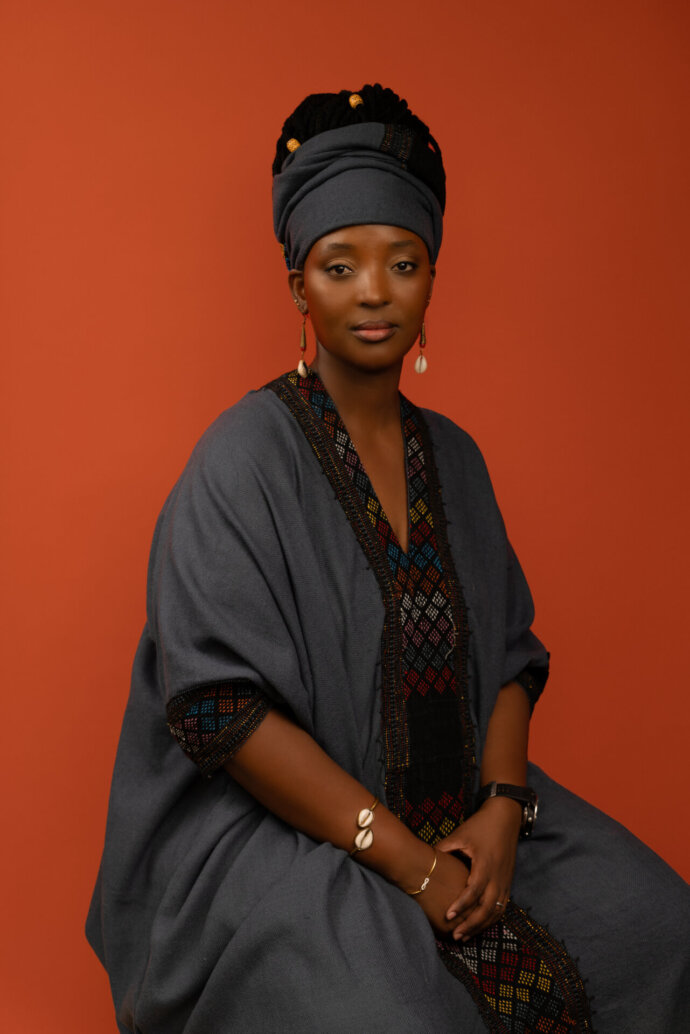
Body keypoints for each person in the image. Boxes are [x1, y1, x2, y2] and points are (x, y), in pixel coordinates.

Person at [87, 84, 690, 1034]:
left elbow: (512, 659)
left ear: (432, 277)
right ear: (298, 284)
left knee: (658, 931)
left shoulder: (456, 458)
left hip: (464, 817)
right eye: (340, 266)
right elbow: (218, 711)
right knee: (393, 1012)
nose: (374, 291)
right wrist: (409, 864)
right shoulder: (240, 461)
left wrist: (502, 808)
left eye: (402, 263)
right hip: (283, 835)